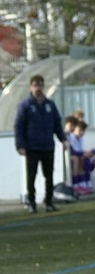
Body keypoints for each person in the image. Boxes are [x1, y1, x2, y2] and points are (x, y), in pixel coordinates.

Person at [13, 74, 67, 213]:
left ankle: (49, 202)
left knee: (49, 175)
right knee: (31, 176)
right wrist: (20, 145)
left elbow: (57, 124)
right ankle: (32, 203)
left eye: (40, 85)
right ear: (31, 87)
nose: (38, 88)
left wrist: (63, 139)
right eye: (35, 85)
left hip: (47, 146)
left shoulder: (50, 105)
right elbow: (19, 126)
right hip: (32, 147)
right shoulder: (25, 105)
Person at [67, 118, 95, 195]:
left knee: (86, 158)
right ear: (74, 128)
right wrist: (85, 154)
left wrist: (90, 153)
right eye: (79, 130)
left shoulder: (80, 138)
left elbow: (80, 151)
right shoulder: (71, 137)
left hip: (77, 156)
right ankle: (76, 185)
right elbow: (72, 152)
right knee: (79, 158)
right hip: (70, 158)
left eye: (83, 131)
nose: (81, 133)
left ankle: (84, 184)